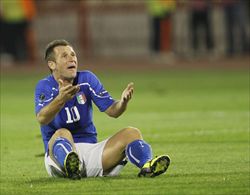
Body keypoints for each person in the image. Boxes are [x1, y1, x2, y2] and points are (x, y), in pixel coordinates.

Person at [34, 39, 170, 179]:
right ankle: (70, 164)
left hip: (91, 154)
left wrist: (122, 102)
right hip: (57, 157)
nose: (72, 59)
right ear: (52, 64)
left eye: (73, 54)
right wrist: (61, 99)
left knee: (132, 132)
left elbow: (113, 111)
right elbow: (42, 118)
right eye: (65, 56)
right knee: (63, 132)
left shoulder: (87, 79)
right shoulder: (45, 86)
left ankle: (147, 166)